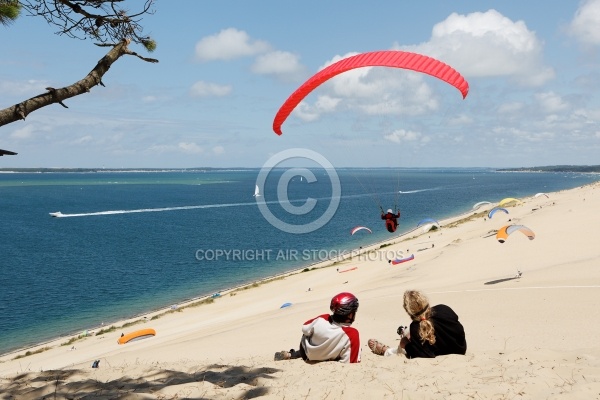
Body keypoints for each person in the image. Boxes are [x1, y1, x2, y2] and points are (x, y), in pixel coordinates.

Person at [368, 290, 466, 358]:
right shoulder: (444, 309)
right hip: (460, 348)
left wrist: (406, 345)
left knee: (405, 339)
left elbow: (422, 354)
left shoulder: (415, 327)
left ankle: (387, 351)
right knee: (411, 334)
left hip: (440, 352)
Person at [274, 292, 361, 363]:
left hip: (307, 355)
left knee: (309, 335)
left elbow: (305, 328)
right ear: (350, 314)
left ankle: (292, 354)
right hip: (330, 358)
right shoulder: (352, 333)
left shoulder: (322, 318)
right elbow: (351, 362)